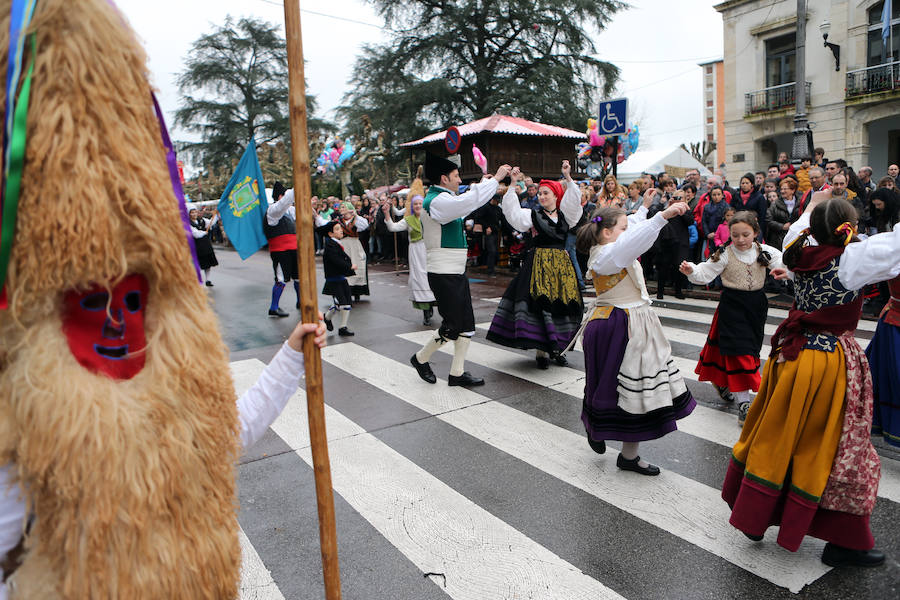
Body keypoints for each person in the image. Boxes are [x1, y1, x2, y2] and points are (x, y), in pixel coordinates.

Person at [722, 192, 900, 567]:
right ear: (847, 228)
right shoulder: (851, 259)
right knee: (834, 445)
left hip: (791, 356)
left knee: (777, 432)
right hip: (826, 362)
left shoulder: (798, 247)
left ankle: (758, 515)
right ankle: (845, 538)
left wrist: (813, 205)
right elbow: (895, 245)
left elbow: (805, 225)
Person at [571, 196, 696, 475]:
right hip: (619, 324)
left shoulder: (610, 246)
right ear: (606, 232)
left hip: (629, 322)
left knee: (634, 389)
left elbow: (632, 230)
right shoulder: (609, 254)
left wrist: (643, 208)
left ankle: (624, 451)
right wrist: (662, 216)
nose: (628, 230)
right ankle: (602, 431)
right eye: (623, 227)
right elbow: (633, 241)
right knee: (626, 388)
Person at [409, 153, 510, 387]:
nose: (459, 179)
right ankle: (420, 358)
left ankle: (457, 373)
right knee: (453, 325)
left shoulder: (445, 199)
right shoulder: (436, 201)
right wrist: (494, 180)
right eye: (456, 176)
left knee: (466, 325)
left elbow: (468, 201)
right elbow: (467, 202)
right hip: (443, 273)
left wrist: (486, 184)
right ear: (444, 178)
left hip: (454, 271)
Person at [680, 212, 783, 423]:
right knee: (739, 352)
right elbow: (705, 273)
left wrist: (786, 272)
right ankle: (744, 403)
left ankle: (725, 383)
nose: (741, 240)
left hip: (756, 307)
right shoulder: (724, 254)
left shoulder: (765, 251)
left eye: (746, 234)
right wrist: (692, 270)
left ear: (755, 232)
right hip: (732, 307)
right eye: (735, 235)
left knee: (751, 350)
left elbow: (785, 264)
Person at [486, 162, 582, 369]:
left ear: (556, 196)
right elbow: (512, 213)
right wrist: (512, 184)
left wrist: (567, 177)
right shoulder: (533, 215)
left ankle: (559, 349)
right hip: (539, 264)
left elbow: (575, 201)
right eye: (540, 194)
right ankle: (541, 352)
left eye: (546, 193)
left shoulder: (566, 216)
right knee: (541, 307)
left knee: (562, 307)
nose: (542, 197)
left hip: (561, 267)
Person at [382, 175, 438, 325]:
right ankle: (426, 311)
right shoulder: (408, 220)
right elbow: (393, 227)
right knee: (420, 278)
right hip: (415, 251)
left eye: (420, 203)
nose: (418, 206)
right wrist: (387, 213)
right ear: (412, 207)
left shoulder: (431, 217)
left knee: (433, 276)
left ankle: (433, 304)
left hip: (429, 250)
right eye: (416, 204)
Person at [265, 181, 302, 317]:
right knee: (281, 278)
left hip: (294, 248)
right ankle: (273, 307)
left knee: (298, 276)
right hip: (280, 251)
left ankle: (300, 301)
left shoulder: (289, 210)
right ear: (280, 196)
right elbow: (284, 204)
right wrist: (298, 185)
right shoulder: (273, 211)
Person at [653, 186, 693, 300]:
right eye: (675, 197)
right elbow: (657, 217)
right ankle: (660, 292)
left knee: (679, 267)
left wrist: (681, 210)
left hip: (681, 242)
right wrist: (669, 206)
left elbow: (690, 221)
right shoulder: (668, 209)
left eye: (680, 198)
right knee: (664, 267)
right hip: (667, 241)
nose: (677, 199)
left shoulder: (687, 210)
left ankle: (678, 291)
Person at [318, 220, 357, 337]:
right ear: (330, 234)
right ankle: (342, 327)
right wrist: (349, 266)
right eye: (337, 229)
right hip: (333, 279)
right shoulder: (330, 245)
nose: (340, 230)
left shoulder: (336, 243)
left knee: (346, 302)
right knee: (342, 303)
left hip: (340, 277)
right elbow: (336, 260)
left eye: (340, 228)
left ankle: (327, 318)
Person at [337, 202, 370, 302]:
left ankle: (356, 292)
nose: (341, 209)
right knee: (344, 266)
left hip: (354, 245)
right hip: (343, 245)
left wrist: (355, 214)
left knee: (357, 266)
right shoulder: (338, 221)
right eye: (340, 207)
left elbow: (365, 225)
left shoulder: (355, 220)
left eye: (343, 207)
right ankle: (344, 291)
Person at [766, 176, 801, 249]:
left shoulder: (800, 202)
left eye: (785, 189)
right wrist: (782, 226)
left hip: (796, 237)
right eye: (781, 189)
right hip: (779, 239)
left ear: (793, 190)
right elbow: (768, 220)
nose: (782, 191)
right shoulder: (775, 204)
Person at [731, 173, 767, 241]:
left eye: (747, 183)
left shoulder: (759, 196)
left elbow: (762, 215)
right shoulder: (736, 196)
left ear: (752, 184)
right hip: (739, 225)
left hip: (754, 226)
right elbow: (732, 210)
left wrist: (760, 230)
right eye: (743, 183)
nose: (744, 185)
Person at [189, 207, 219, 287]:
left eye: (195, 212)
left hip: (205, 245)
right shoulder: (188, 223)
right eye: (192, 212)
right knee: (196, 264)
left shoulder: (202, 220)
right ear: (189, 214)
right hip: (195, 246)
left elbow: (211, 223)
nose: (194, 214)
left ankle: (207, 280)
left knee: (207, 264)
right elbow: (195, 234)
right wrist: (204, 233)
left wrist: (215, 215)